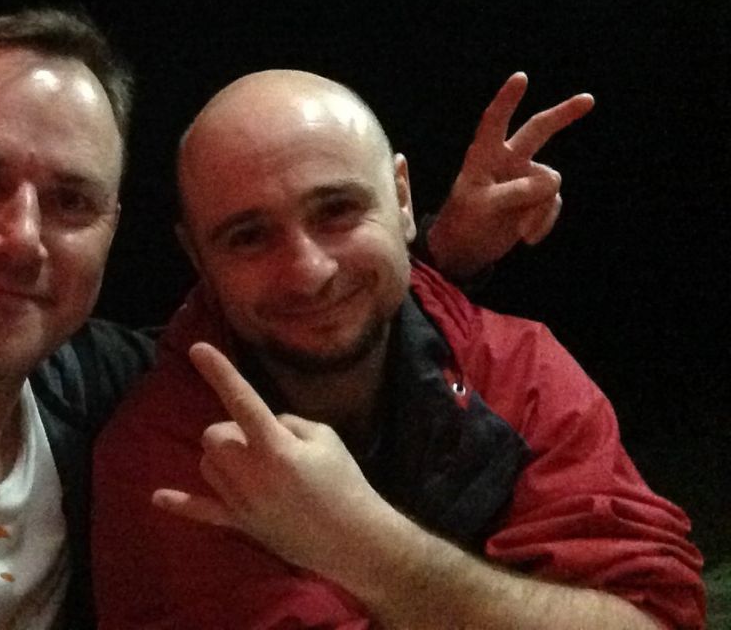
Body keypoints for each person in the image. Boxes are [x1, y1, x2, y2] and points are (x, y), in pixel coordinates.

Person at [0, 7, 583, 630]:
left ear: (113, 230)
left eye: (71, 200)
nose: (21, 238)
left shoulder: (115, 389)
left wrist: (428, 249)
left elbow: (300, 313)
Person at [91, 70, 706, 628]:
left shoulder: (518, 365)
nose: (309, 273)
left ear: (403, 200)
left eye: (337, 210)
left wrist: (367, 545)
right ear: (198, 258)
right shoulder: (164, 453)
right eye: (248, 237)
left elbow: (652, 617)